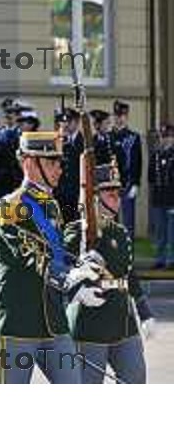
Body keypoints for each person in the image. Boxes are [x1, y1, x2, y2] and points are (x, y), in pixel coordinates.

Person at [0, 131, 108, 384]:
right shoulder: (10, 206)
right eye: (52, 162)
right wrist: (70, 276)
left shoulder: (51, 205)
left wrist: (78, 281)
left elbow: (57, 255)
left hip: (53, 320)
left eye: (59, 163)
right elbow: (30, 255)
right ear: (30, 163)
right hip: (17, 321)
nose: (60, 170)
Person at [65, 162, 153, 383]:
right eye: (110, 194)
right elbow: (64, 270)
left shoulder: (121, 232)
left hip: (124, 323)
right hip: (91, 326)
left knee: (136, 379)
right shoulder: (78, 232)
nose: (117, 199)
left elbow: (129, 275)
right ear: (94, 197)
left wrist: (144, 312)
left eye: (118, 194)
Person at [112, 100, 142, 238]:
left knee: (128, 221)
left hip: (128, 184)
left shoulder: (133, 137)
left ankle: (127, 254)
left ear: (126, 116)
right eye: (117, 115)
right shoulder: (108, 136)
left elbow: (137, 162)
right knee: (112, 221)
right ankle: (113, 252)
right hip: (111, 185)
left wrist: (136, 183)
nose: (119, 118)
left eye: (122, 115)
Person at [148, 124, 174, 269]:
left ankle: (171, 260)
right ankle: (160, 259)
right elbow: (151, 177)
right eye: (163, 137)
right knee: (160, 232)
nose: (165, 140)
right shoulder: (156, 155)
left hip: (171, 199)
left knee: (171, 232)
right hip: (158, 198)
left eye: (168, 137)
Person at [54, 107, 83, 224]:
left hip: (76, 192)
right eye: (64, 121)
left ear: (76, 122)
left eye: (69, 122)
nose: (65, 125)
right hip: (61, 192)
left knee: (75, 225)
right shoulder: (60, 141)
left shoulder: (84, 142)